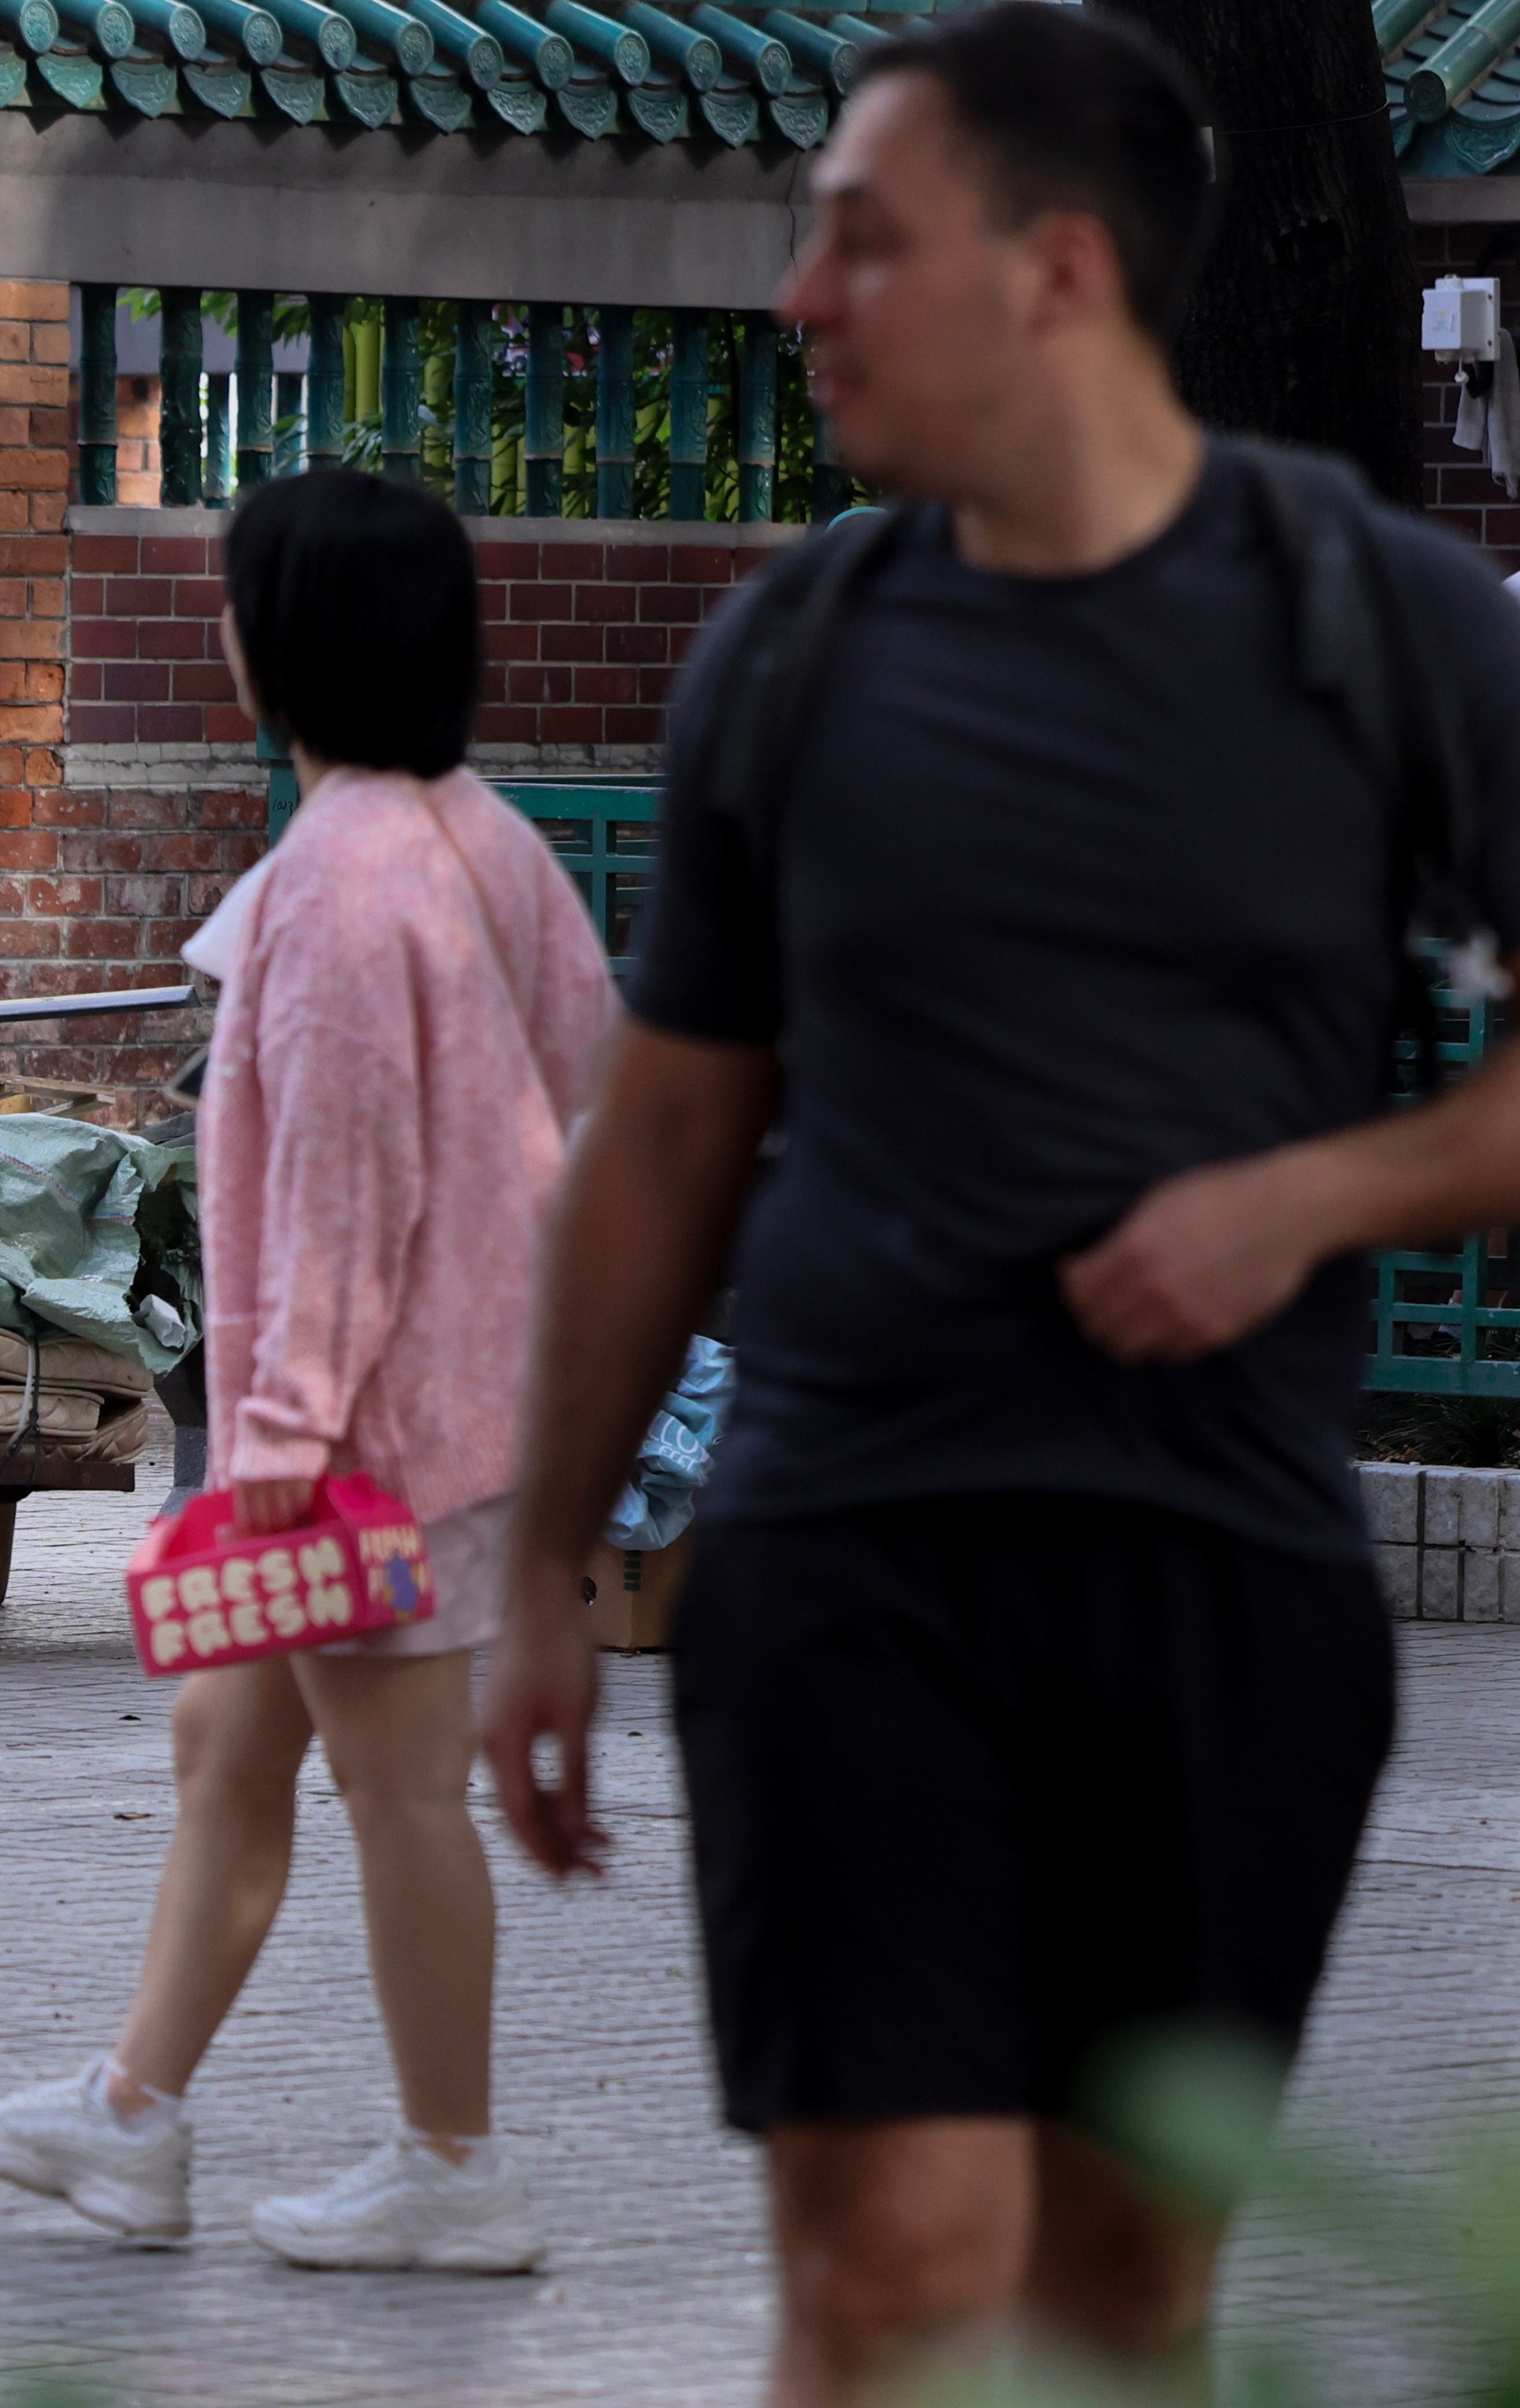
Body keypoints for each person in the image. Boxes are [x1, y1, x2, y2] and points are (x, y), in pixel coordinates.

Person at [480, 11, 1520, 2400]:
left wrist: (1305, 1197)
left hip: (1217, 1577)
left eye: (859, 236)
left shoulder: (1386, 638)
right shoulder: (798, 655)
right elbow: (661, 1136)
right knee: (881, 2275)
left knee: (1110, 2306)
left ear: (1051, 272)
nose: (794, 295)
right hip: (843, 1549)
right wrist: (538, 1559)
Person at [0, 470, 614, 2269]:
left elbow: (336, 1198)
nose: (223, 625)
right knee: (225, 1747)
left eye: (240, 597)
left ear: (287, 642)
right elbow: (583, 1087)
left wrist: (288, 1442)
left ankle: (453, 2169)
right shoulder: (484, 840)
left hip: (356, 1440)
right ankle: (133, 2117)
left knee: (395, 1793)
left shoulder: (332, 889)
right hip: (454, 1411)